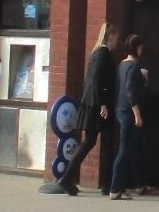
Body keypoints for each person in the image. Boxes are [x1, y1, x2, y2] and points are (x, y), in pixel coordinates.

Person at [42, 22, 117, 196]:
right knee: (96, 142)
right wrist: (103, 103)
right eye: (116, 38)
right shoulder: (103, 54)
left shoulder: (97, 53)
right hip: (98, 106)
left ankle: (77, 179)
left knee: (95, 141)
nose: (116, 42)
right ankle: (70, 178)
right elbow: (96, 81)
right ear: (110, 37)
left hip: (93, 104)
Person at [109, 33, 149, 199]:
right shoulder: (133, 66)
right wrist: (137, 114)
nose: (142, 49)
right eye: (141, 47)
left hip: (120, 109)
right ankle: (115, 189)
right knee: (124, 150)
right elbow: (130, 91)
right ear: (137, 48)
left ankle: (137, 184)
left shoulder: (122, 64)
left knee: (133, 148)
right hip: (129, 112)